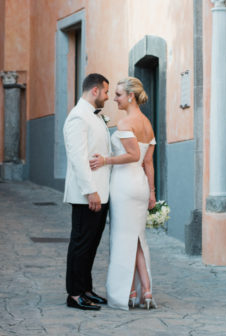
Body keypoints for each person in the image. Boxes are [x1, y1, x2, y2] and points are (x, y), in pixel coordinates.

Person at [90, 77, 156, 310]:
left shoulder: (126, 123)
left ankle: (128, 292)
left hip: (124, 186)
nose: (114, 98)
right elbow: (148, 162)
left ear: (130, 96)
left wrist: (106, 160)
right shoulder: (147, 123)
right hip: (139, 184)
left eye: (118, 94)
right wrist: (152, 192)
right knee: (137, 238)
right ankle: (144, 290)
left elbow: (133, 155)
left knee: (122, 238)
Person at [63, 73, 111, 311]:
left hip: (101, 193)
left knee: (91, 244)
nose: (108, 96)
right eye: (106, 92)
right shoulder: (78, 117)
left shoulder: (94, 116)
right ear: (95, 91)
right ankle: (74, 294)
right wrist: (90, 191)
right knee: (81, 244)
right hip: (87, 195)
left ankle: (86, 289)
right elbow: (78, 158)